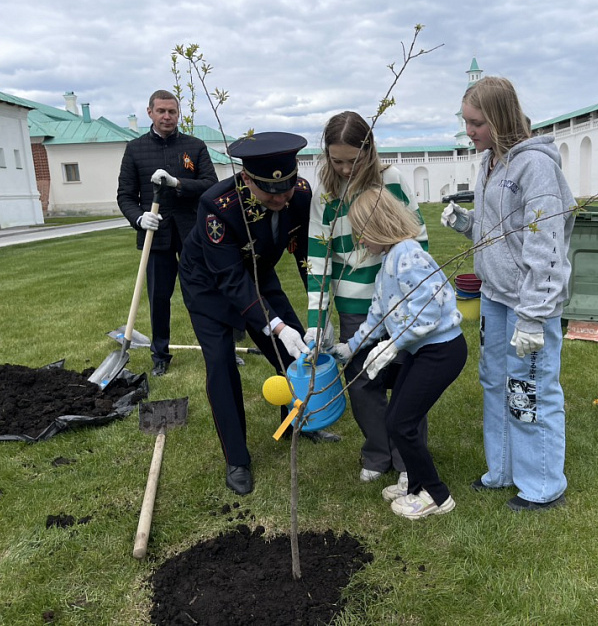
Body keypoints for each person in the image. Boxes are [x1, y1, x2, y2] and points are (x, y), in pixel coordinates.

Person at [441, 76, 575, 512]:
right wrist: (467, 225)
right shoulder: (490, 162)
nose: (469, 131)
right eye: (466, 122)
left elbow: (546, 242)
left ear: (499, 119)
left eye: (476, 123)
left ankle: (541, 485)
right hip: (496, 296)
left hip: (527, 301)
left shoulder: (535, 167)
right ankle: (502, 471)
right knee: (495, 381)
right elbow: (501, 230)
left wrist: (535, 313)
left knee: (529, 387)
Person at [178, 132, 337, 496]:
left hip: (258, 272)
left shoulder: (298, 193)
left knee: (294, 354)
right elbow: (231, 281)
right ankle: (237, 458)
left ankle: (297, 424)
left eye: (286, 189)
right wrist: (275, 326)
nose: (282, 198)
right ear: (247, 180)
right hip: (208, 284)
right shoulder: (217, 206)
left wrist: (319, 315)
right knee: (221, 364)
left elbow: (304, 257)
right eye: (271, 193)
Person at [306, 111, 429, 486]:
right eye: (337, 160)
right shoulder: (325, 194)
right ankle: (377, 452)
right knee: (362, 381)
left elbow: (418, 240)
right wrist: (317, 322)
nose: (345, 169)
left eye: (353, 161)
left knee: (407, 378)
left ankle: (408, 456)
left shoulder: (391, 182)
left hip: (400, 306)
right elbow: (317, 259)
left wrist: (415, 296)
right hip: (355, 307)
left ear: (370, 151)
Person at [333, 188, 467, 519]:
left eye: (362, 234)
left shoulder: (409, 256)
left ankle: (436, 495)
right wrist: (349, 347)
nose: (361, 242)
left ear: (379, 225)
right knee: (396, 419)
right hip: (425, 350)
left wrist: (392, 345)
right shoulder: (389, 262)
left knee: (403, 424)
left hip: (442, 350)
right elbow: (379, 314)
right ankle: (414, 486)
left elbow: (428, 313)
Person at [117, 89, 218, 377]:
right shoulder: (135, 149)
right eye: (161, 111)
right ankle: (160, 355)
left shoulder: (194, 146)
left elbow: (210, 184)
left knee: (201, 294)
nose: (166, 116)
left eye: (172, 111)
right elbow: (125, 195)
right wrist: (139, 218)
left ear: (178, 114)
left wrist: (177, 183)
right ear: (150, 112)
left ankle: (216, 349)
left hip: (192, 235)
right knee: (159, 298)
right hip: (155, 237)